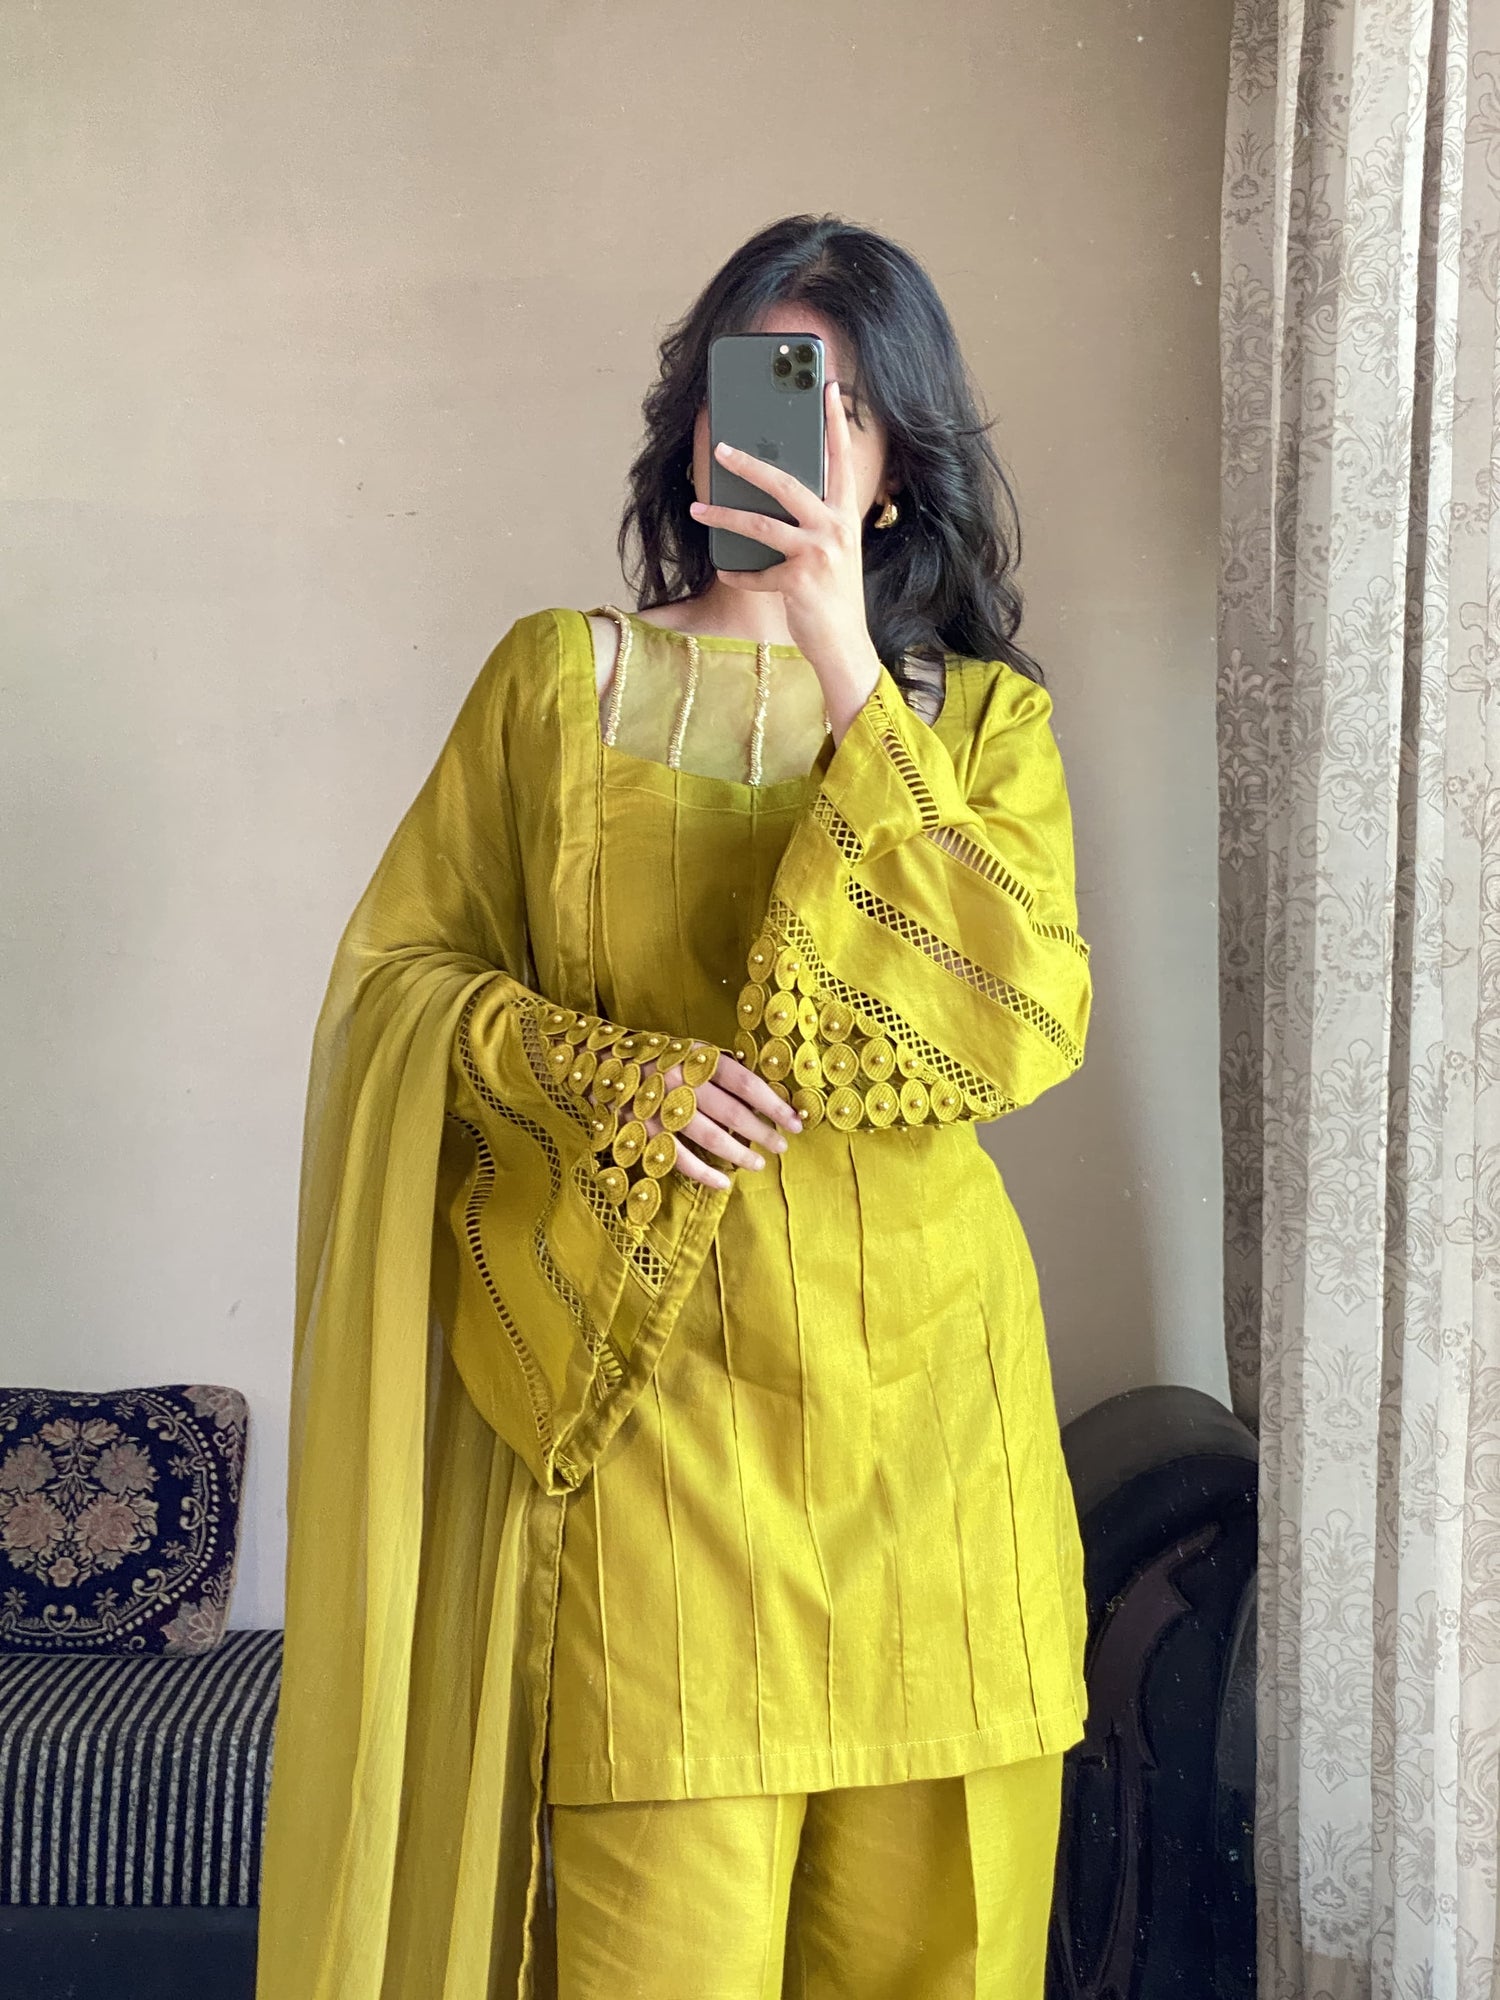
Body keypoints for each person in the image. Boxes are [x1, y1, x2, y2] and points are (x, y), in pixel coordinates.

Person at [255, 212, 1093, 2000]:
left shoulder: (982, 726)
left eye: (851, 403)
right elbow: (396, 990)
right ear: (700, 425)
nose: (807, 434)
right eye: (774, 387)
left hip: (940, 1456)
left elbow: (1011, 1025)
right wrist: (601, 1078)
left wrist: (849, 667)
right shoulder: (564, 688)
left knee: (931, 1962)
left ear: (896, 463)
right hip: (659, 1439)